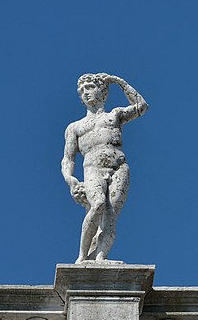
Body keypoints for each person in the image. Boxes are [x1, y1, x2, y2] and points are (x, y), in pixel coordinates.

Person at [61, 73, 148, 262]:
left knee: (111, 214)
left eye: (90, 87)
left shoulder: (115, 115)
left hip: (119, 167)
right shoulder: (75, 127)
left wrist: (120, 82)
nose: (85, 93)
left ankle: (100, 257)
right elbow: (68, 159)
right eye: (82, 90)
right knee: (98, 204)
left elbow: (141, 106)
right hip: (92, 167)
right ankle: (82, 257)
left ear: (102, 91)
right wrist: (70, 179)